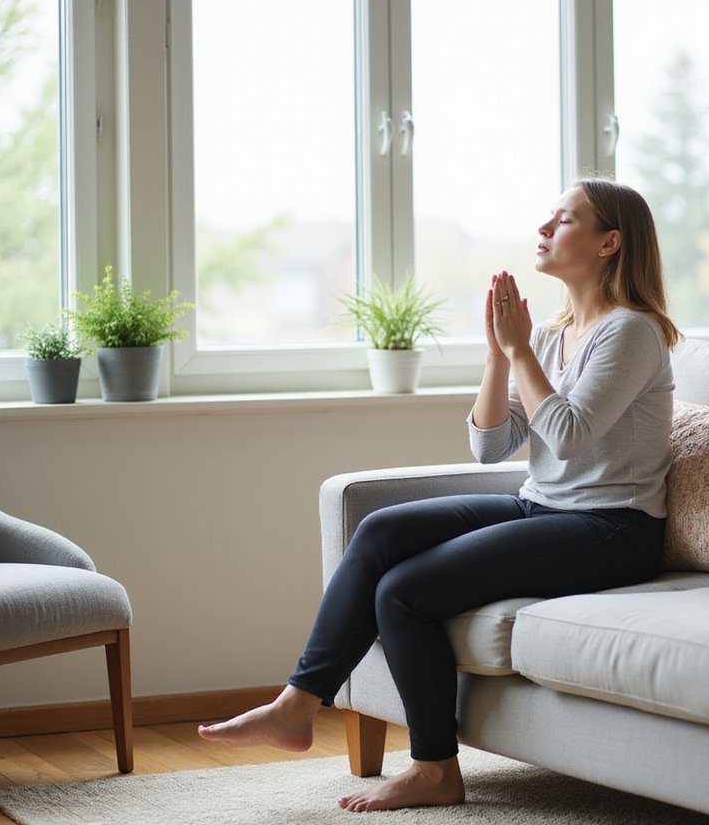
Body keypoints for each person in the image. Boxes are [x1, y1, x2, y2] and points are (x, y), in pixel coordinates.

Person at [197, 177, 680, 813]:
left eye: (562, 220)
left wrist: (516, 349)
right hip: (544, 503)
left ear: (609, 243)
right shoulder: (548, 336)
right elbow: (489, 447)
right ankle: (298, 702)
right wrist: (498, 357)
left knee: (404, 593)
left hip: (614, 527)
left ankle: (434, 769)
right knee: (380, 532)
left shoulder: (632, 333)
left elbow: (565, 435)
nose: (543, 229)